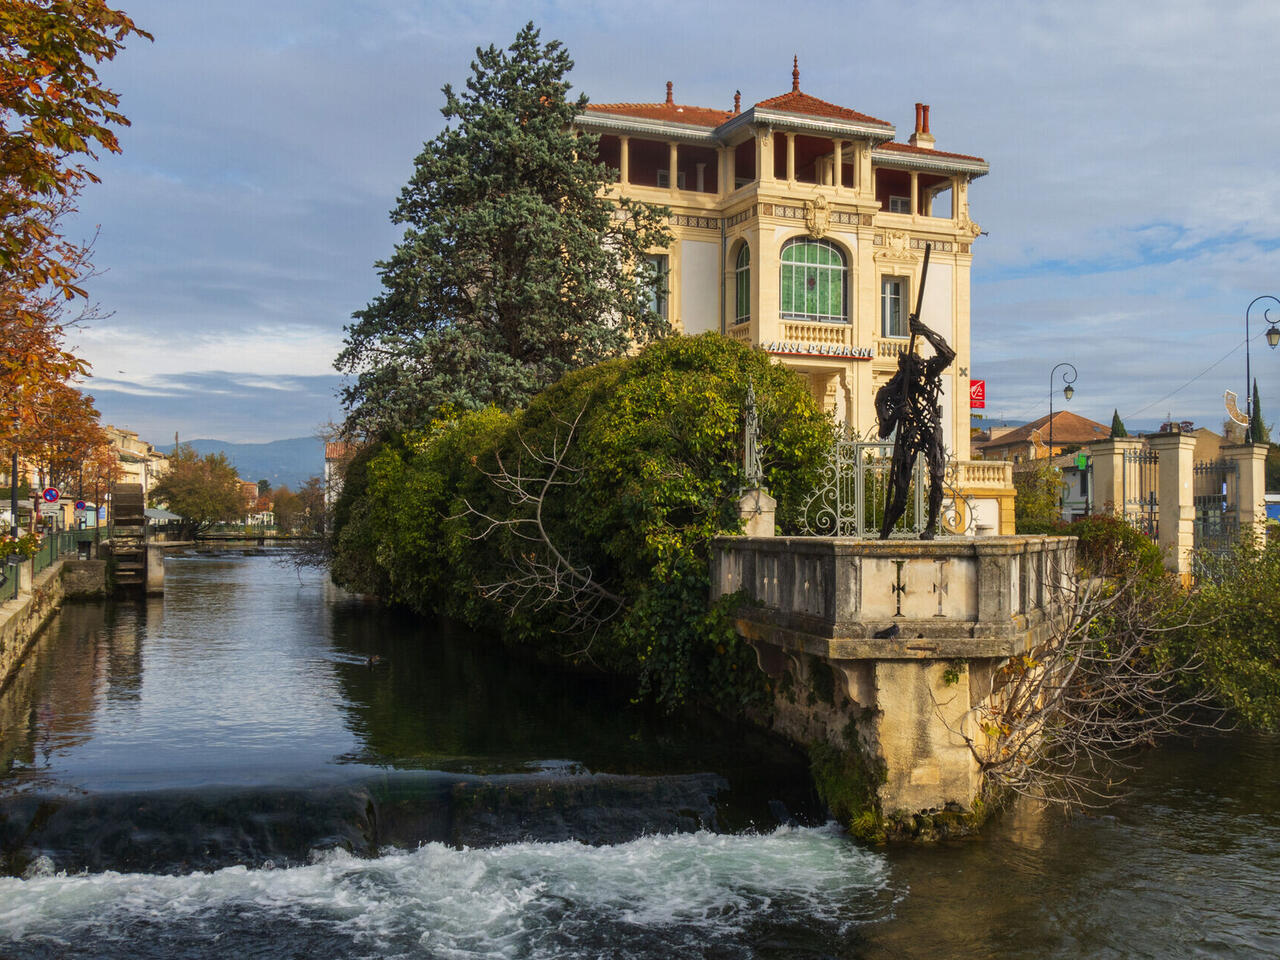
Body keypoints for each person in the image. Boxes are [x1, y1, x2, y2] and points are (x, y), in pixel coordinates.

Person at [874, 315, 955, 540]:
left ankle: (930, 527)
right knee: (900, 496)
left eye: (921, 368)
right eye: (915, 369)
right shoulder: (888, 393)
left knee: (937, 480)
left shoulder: (926, 374)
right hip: (908, 436)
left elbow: (948, 355)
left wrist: (924, 330)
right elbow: (883, 431)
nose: (920, 373)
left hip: (929, 430)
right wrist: (896, 416)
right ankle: (886, 531)